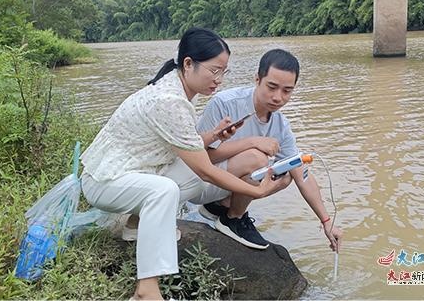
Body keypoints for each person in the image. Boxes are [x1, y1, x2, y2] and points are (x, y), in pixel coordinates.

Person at [79, 28, 290, 301]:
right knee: (166, 189)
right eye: (214, 71)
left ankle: (136, 222)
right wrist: (257, 191)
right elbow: (206, 168)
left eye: (223, 72)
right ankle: (146, 289)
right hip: (104, 182)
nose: (219, 80)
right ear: (188, 64)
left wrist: (213, 136)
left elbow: (183, 146)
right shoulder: (170, 100)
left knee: (189, 176)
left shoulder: (175, 87)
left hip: (133, 172)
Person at [193, 49, 343, 252]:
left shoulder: (280, 124)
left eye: (287, 91)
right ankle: (233, 219)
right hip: (200, 182)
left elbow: (302, 174)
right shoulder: (225, 104)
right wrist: (252, 142)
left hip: (222, 186)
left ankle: (221, 207)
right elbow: (199, 156)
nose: (278, 97)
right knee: (257, 159)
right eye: (271, 87)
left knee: (287, 173)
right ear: (257, 78)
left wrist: (326, 220)